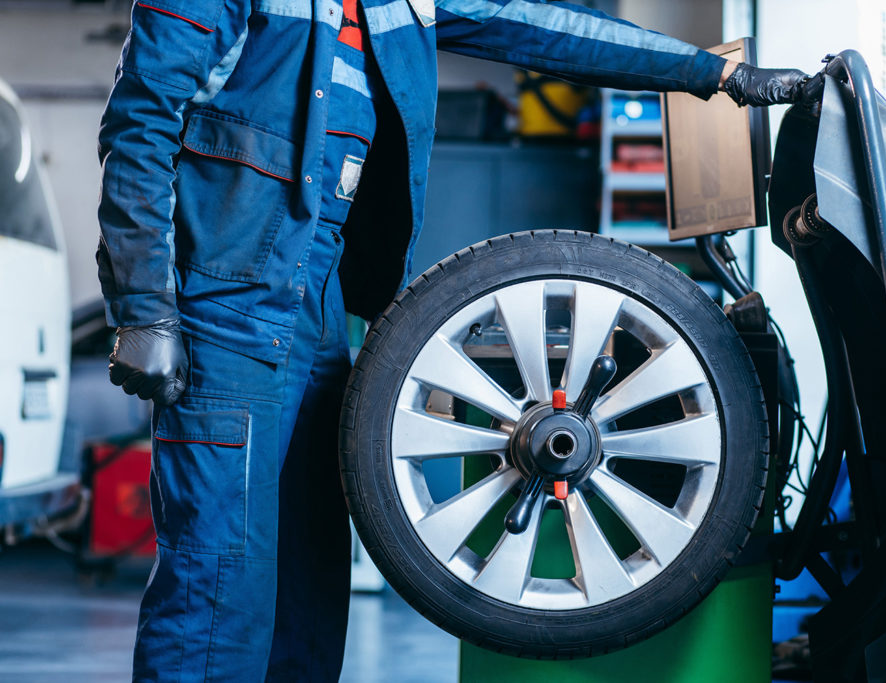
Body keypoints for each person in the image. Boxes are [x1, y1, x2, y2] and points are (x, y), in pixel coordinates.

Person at [97, 0, 817, 679]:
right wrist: (144, 308)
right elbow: (140, 123)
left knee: (308, 589)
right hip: (227, 304)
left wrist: (716, 76)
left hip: (316, 306)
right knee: (221, 584)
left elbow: (538, 26)